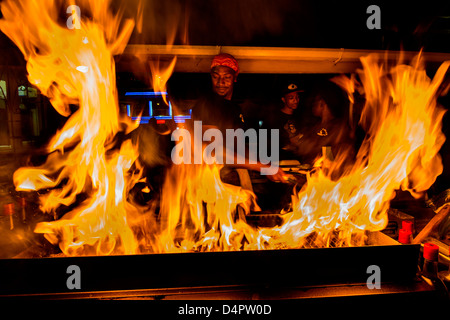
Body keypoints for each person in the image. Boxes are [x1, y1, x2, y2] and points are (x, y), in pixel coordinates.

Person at [191, 53, 288, 183]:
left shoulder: (234, 109)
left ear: (235, 77)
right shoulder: (208, 104)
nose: (221, 82)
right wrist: (261, 166)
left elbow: (238, 146)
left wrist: (265, 164)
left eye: (227, 77)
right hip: (210, 181)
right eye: (216, 77)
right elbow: (214, 151)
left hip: (231, 178)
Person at [263, 82, 304, 160]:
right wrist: (288, 141)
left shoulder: (300, 117)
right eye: (291, 98)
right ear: (283, 100)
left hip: (299, 161)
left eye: (297, 97)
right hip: (280, 162)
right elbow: (265, 142)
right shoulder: (273, 118)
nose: (295, 101)